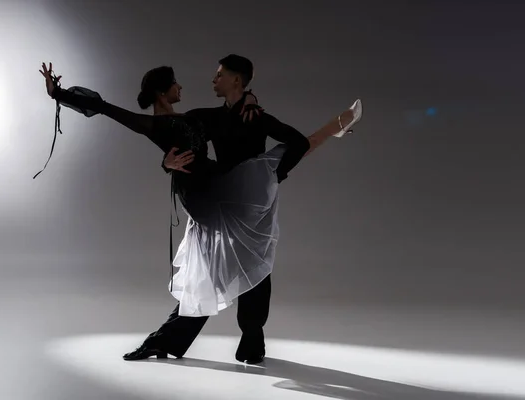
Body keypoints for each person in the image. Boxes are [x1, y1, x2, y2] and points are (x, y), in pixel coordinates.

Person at [37, 56, 362, 364]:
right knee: (217, 268)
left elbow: (294, 142)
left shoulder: (236, 115)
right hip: (215, 192)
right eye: (176, 84)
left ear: (236, 80)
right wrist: (60, 94)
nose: (208, 80)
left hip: (234, 188)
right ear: (164, 92)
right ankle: (339, 125)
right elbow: (110, 110)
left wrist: (250, 99)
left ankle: (209, 339)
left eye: (219, 74)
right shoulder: (196, 117)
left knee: (241, 260)